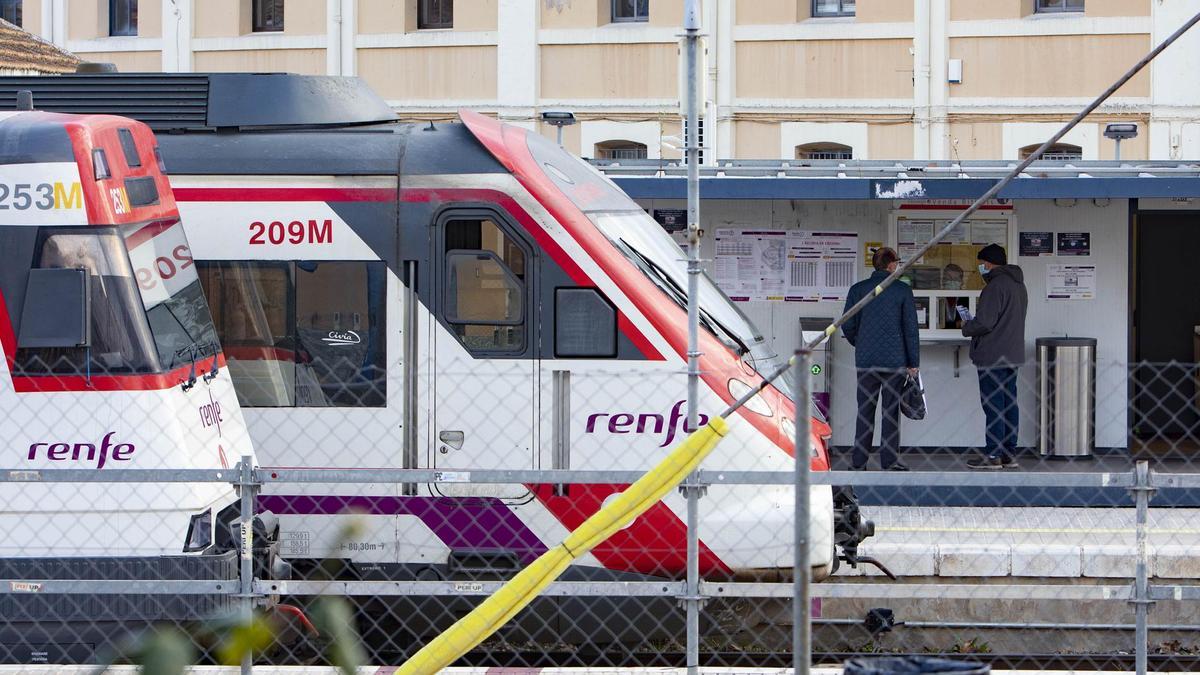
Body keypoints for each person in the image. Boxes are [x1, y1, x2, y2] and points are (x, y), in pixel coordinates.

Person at [842, 247, 920, 471]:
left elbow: (847, 323)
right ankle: (889, 461)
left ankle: (858, 463)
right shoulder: (902, 291)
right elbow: (910, 329)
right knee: (890, 412)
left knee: (865, 411)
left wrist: (861, 342)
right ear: (891, 265)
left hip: (866, 362)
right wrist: (913, 362)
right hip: (895, 361)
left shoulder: (858, 290)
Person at [961, 243, 1028, 470]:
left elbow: (985, 323)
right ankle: (1009, 453)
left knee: (993, 405)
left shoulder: (994, 287)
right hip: (1013, 354)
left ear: (988, 263)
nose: (980, 267)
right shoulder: (1019, 286)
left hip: (993, 355)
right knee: (1010, 403)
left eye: (981, 263)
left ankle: (993, 455)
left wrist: (967, 326)